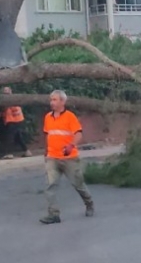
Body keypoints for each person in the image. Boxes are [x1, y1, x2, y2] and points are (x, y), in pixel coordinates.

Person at [39, 89, 94, 224]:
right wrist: (46, 150)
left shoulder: (70, 117)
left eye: (55, 99)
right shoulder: (48, 117)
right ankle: (53, 214)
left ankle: (89, 203)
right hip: (52, 157)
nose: (52, 102)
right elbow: (48, 134)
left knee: (78, 184)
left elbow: (79, 134)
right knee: (50, 186)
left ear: (63, 101)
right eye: (51, 99)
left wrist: (71, 145)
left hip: (69, 158)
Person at [0, 87, 32, 158]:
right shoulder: (10, 99)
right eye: (4, 92)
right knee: (18, 137)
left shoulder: (11, 100)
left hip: (13, 120)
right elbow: (2, 111)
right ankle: (26, 151)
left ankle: (9, 153)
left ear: (11, 91)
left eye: (7, 91)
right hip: (16, 119)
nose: (6, 93)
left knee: (10, 137)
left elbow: (3, 110)